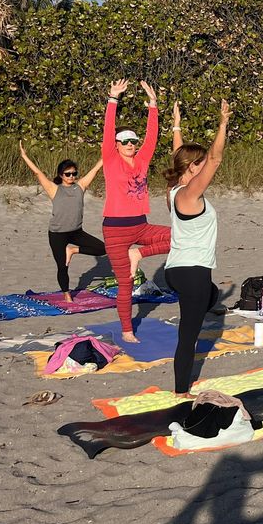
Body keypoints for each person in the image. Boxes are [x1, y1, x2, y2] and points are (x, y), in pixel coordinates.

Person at [164, 99, 230, 395]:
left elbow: (179, 158)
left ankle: (212, 297)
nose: (204, 166)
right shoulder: (190, 194)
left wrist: (176, 126)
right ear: (192, 168)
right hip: (192, 273)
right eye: (198, 163)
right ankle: (181, 391)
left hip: (177, 270)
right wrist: (223, 123)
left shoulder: (173, 190)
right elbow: (215, 160)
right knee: (188, 334)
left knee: (212, 295)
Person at [102, 79, 171, 343]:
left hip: (141, 226)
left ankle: (138, 253)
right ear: (117, 145)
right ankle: (127, 330)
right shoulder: (110, 159)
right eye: (125, 141)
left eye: (133, 141)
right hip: (116, 230)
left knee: (181, 237)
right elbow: (108, 132)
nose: (131, 144)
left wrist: (153, 105)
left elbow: (152, 136)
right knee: (125, 284)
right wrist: (113, 99)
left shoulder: (141, 160)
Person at [19, 142, 105, 300]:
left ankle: (72, 250)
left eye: (74, 173)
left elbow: (97, 167)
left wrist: (106, 149)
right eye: (68, 174)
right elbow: (38, 173)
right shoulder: (54, 189)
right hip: (57, 234)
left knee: (102, 249)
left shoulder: (80, 186)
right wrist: (25, 156)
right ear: (61, 175)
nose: (72, 176)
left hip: (76, 232)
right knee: (62, 266)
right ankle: (66, 293)